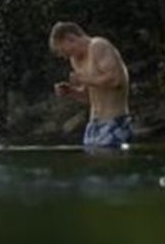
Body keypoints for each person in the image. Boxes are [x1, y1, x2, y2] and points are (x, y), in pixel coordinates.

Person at [49, 21, 133, 149]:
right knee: (93, 165)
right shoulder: (76, 60)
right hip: (93, 124)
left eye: (63, 50)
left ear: (70, 38)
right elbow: (90, 97)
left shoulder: (98, 46)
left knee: (108, 163)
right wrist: (71, 91)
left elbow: (116, 80)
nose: (65, 56)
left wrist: (84, 79)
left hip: (114, 120)